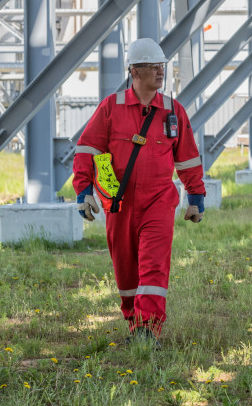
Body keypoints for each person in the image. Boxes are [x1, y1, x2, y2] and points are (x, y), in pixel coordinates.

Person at [72, 38, 206, 345]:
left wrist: (195, 197)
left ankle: (149, 327)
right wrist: (83, 191)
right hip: (118, 203)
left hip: (159, 199)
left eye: (161, 66)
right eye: (152, 67)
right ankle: (135, 324)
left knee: (154, 264)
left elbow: (187, 157)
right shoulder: (111, 108)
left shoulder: (173, 111)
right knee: (126, 269)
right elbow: (86, 150)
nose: (160, 73)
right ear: (134, 71)